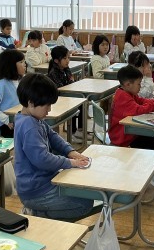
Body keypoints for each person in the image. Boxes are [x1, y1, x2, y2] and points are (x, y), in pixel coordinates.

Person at [13, 73, 94, 220]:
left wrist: (70, 152)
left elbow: (53, 136)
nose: (49, 110)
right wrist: (71, 163)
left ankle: (38, 213)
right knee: (84, 204)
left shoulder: (32, 118)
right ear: (31, 103)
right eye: (47, 105)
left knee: (82, 191)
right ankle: (36, 214)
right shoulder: (29, 125)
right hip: (36, 191)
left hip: (44, 184)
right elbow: (42, 159)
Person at [109, 65, 154, 149]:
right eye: (139, 84)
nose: (140, 86)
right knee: (153, 136)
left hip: (128, 133)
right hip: (122, 138)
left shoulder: (126, 92)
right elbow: (140, 110)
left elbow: (141, 101)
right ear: (128, 84)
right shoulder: (123, 97)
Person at [0, 49, 26, 138]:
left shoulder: (21, 80)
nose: (24, 64)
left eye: (24, 61)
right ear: (11, 65)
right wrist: (6, 120)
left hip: (20, 120)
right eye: (21, 62)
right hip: (7, 125)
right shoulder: (1, 84)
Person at [48, 46, 84, 143]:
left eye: (68, 57)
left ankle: (80, 130)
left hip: (67, 95)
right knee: (73, 105)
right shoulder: (53, 73)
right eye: (64, 58)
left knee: (82, 101)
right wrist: (71, 83)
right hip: (57, 99)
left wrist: (72, 83)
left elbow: (71, 81)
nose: (68, 60)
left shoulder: (66, 69)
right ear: (56, 60)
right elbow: (61, 88)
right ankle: (72, 132)